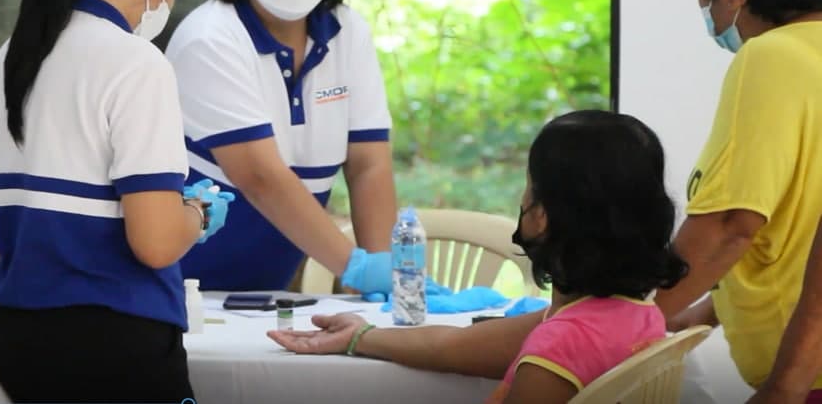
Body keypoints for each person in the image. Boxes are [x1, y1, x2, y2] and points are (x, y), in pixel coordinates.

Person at [0, 0, 233, 402]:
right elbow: (155, 243)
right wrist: (195, 214)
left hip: (11, 345)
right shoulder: (136, 63)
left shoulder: (5, 63)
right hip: (115, 349)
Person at [268, 110, 689, 403]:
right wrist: (360, 336)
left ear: (542, 215)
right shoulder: (632, 315)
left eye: (529, 187)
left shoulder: (559, 344)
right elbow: (453, 346)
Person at [166, 0, 398, 296]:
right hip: (178, 288)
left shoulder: (347, 31)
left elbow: (368, 164)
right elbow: (259, 176)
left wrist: (385, 283)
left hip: (265, 294)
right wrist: (356, 269)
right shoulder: (210, 37)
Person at [650, 0, 822, 403]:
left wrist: (631, 314)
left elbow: (730, 227)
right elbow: (796, 222)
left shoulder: (771, 58)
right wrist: (699, 311)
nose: (704, 3)